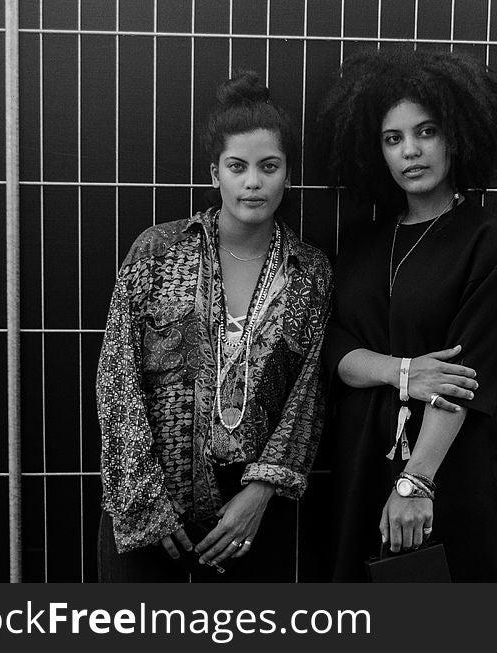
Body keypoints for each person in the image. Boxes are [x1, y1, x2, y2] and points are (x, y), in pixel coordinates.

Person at [96, 71, 332, 582]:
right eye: (237, 166)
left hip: (245, 520)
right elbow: (117, 378)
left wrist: (261, 491)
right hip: (148, 506)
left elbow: (308, 393)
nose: (253, 182)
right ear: (215, 173)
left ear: (288, 175)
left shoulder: (309, 272)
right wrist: (146, 497)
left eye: (269, 167)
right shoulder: (158, 251)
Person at [316, 48, 497, 581]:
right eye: (393, 138)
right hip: (361, 465)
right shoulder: (361, 245)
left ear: (456, 135)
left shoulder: (488, 240)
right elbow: (335, 350)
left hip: (443, 474)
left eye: (426, 132)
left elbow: (463, 374)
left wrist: (416, 482)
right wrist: (402, 371)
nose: (410, 151)